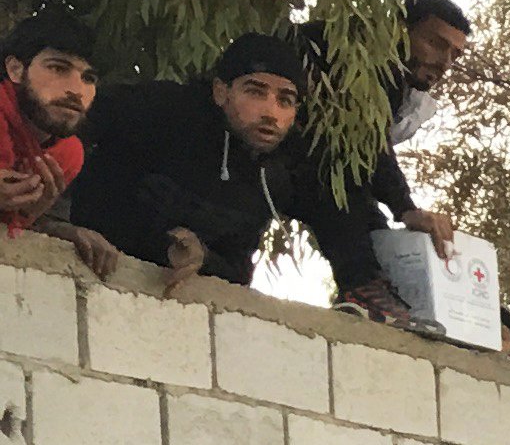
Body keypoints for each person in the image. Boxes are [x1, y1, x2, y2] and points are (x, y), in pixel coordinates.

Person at [64, 35, 338, 292]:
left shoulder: (271, 175)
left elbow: (238, 271)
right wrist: (59, 222)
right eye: (255, 92)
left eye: (285, 100)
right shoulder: (166, 110)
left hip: (155, 298)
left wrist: (203, 257)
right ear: (221, 92)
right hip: (73, 261)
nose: (271, 113)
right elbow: (66, 121)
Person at [307, 0, 477, 326]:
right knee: (342, 177)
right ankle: (362, 287)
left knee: (366, 214)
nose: (445, 63)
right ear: (398, 30)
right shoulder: (352, 56)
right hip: (263, 162)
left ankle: (378, 290)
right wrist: (405, 208)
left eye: (455, 56)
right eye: (435, 44)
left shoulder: (400, 87)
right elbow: (363, 140)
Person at [0, 9, 103, 255]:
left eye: (88, 78)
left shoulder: (69, 153)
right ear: (15, 69)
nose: (77, 90)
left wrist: (55, 228)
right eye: (58, 68)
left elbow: (18, 229)